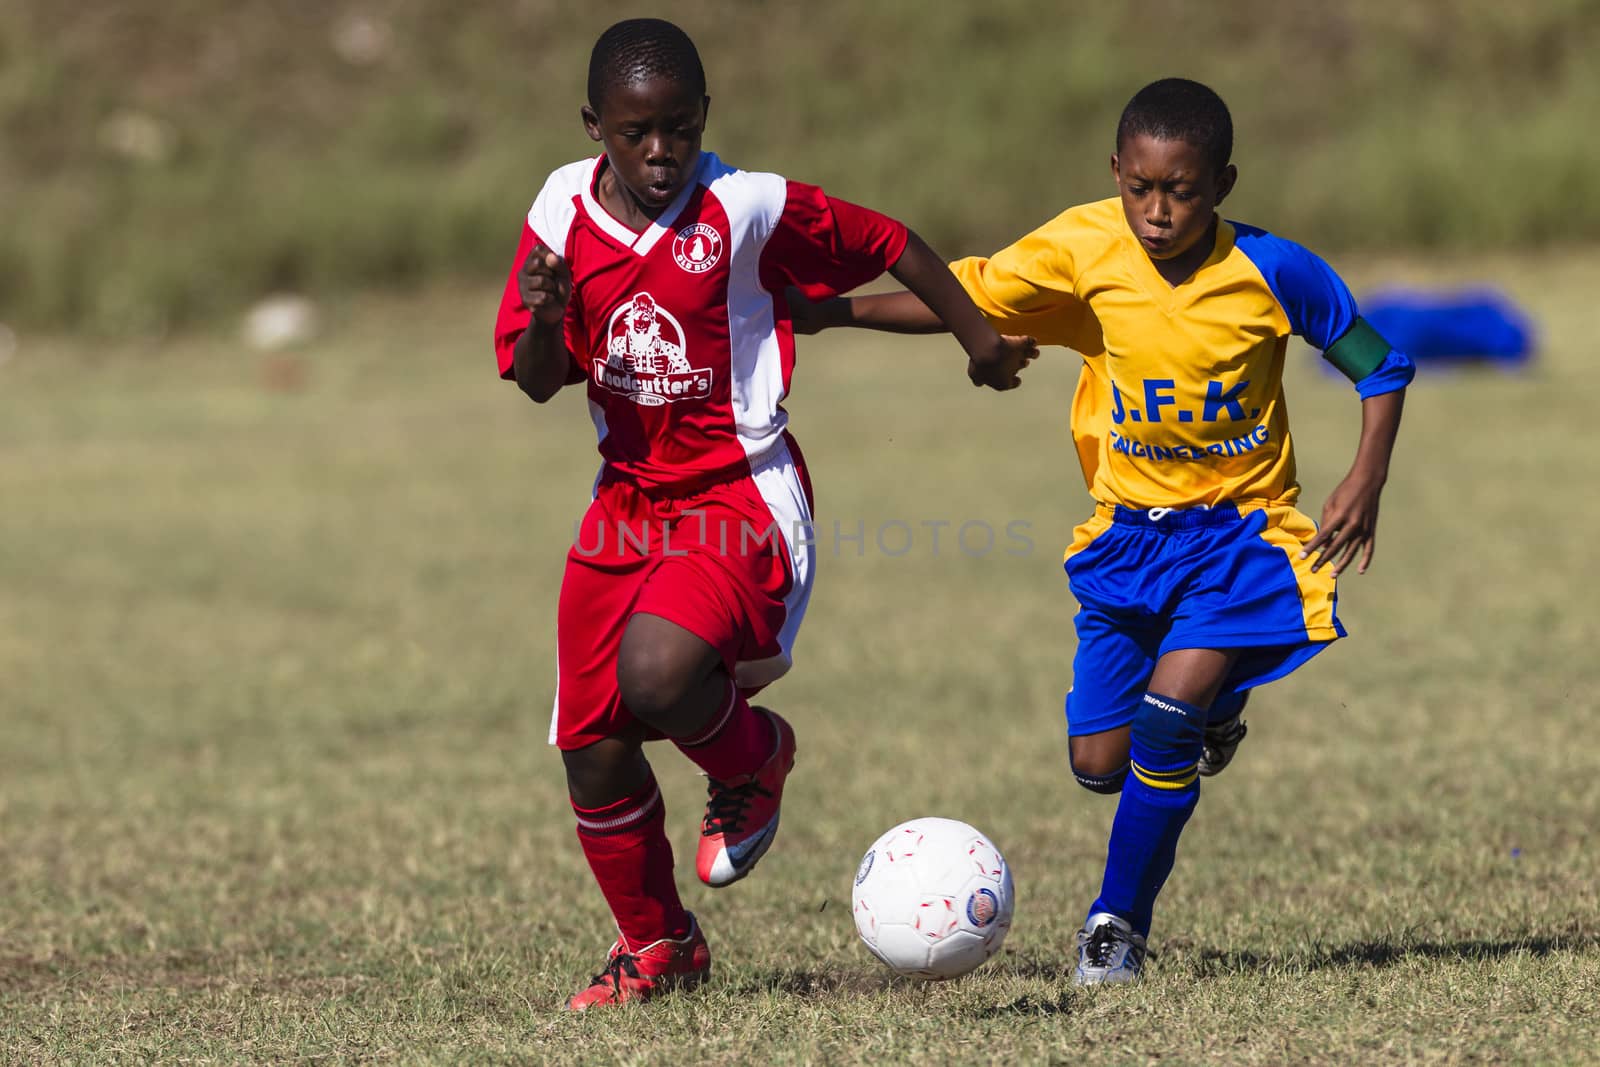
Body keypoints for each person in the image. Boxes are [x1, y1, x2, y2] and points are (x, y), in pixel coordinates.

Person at [792, 78, 1413, 984]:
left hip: (1240, 533)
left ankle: (1115, 927)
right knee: (1099, 761)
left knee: (1168, 719)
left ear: (1224, 183)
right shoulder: (1082, 247)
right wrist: (830, 310)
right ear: (1116, 171)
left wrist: (1367, 473)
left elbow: (1378, 361)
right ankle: (1217, 708)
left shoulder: (1274, 270)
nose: (1159, 212)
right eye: (1142, 188)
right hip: (1127, 536)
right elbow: (968, 298)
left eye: (1184, 191)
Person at [491, 18, 1036, 1010]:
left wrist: (980, 342)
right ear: (592, 127)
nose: (660, 152)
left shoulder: (745, 206)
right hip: (624, 500)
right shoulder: (560, 209)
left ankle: (757, 755)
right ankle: (659, 945)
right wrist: (540, 309)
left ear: (705, 118)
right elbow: (535, 381)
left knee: (656, 671)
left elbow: (890, 241)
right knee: (591, 744)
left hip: (740, 488)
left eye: (680, 128)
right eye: (635, 131)